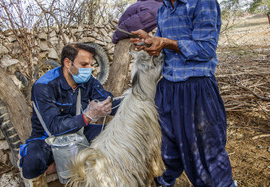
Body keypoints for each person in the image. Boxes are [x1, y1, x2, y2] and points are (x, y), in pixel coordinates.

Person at [130, 0, 236, 186]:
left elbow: (205, 49)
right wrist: (150, 41)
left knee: (207, 156)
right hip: (168, 89)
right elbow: (163, 49)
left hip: (197, 89)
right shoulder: (164, 9)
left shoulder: (202, 3)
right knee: (164, 153)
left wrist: (165, 42)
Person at [19, 43, 120, 186]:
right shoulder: (44, 86)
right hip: (48, 137)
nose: (89, 70)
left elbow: (109, 102)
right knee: (32, 160)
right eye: (84, 64)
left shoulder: (88, 80)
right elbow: (54, 127)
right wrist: (89, 116)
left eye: (91, 65)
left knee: (114, 135)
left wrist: (129, 102)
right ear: (68, 63)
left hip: (80, 130)